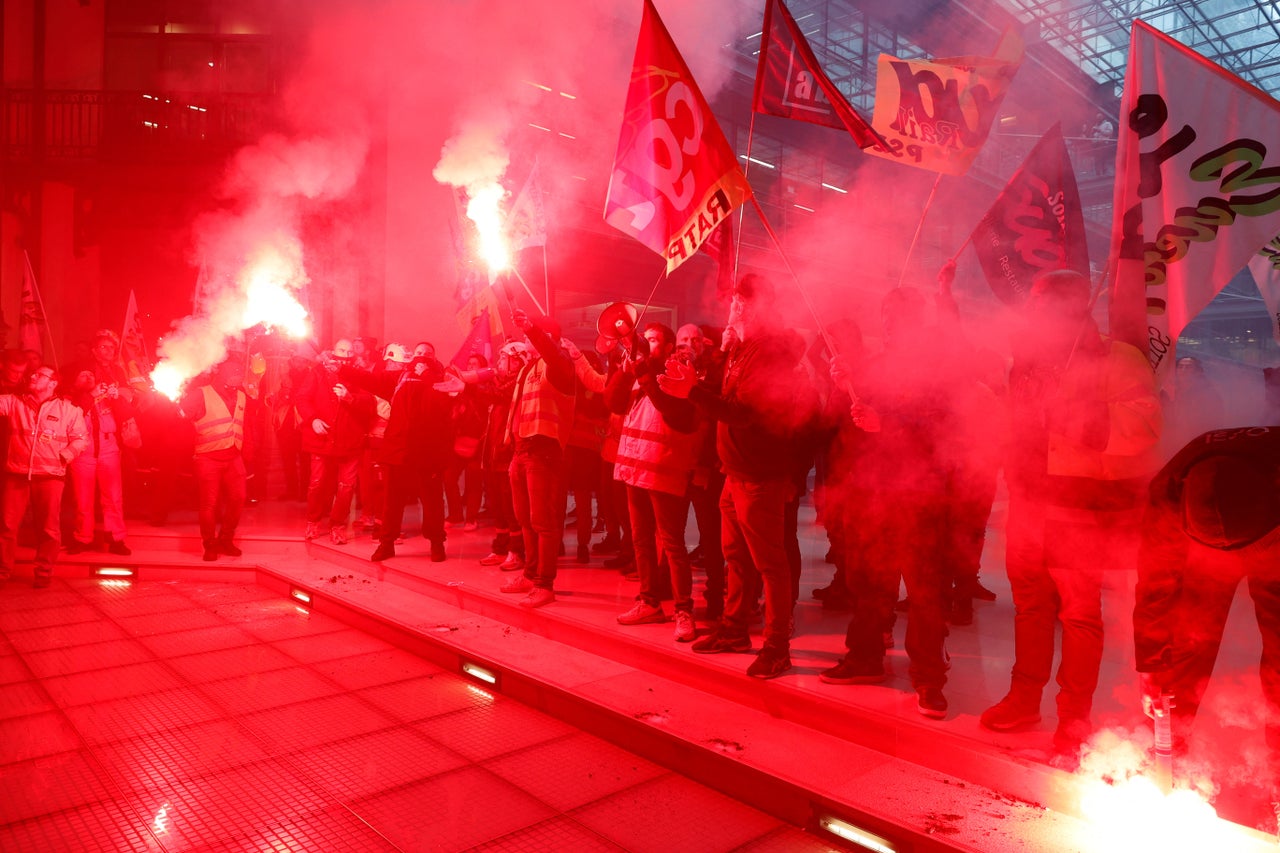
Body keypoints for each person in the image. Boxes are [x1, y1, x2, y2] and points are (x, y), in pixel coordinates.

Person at [979, 268, 1161, 763]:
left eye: (1041, 300)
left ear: (1071, 305)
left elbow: (1145, 423)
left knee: (1079, 613)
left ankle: (1074, 716)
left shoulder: (1115, 357)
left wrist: (1076, 418)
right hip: (1029, 500)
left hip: (1079, 506)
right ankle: (1024, 698)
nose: (1034, 310)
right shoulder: (1029, 360)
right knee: (1030, 604)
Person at [659, 274, 813, 679]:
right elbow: (725, 399)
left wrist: (694, 391)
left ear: (758, 306)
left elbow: (743, 412)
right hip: (736, 471)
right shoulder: (743, 349)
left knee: (769, 564)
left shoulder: (769, 352)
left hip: (760, 474)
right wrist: (716, 361)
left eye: (741, 303)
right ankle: (734, 629)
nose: (733, 309)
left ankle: (777, 647)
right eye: (733, 302)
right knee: (735, 558)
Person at [1134, 427, 1280, 783]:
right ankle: (1165, 758)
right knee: (1184, 642)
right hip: (1206, 555)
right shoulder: (1168, 491)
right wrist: (1152, 662)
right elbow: (1156, 585)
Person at [608, 322, 701, 642]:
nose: (647, 346)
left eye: (654, 341)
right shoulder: (638, 370)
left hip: (662, 468)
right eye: (644, 340)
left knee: (672, 544)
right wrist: (624, 372)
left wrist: (645, 373)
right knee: (641, 540)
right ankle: (648, 601)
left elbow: (672, 411)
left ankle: (683, 609)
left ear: (668, 345)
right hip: (634, 466)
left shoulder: (675, 371)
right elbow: (614, 403)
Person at [499, 309, 576, 609]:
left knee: (543, 522)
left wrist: (533, 328)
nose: (524, 340)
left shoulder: (559, 364)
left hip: (543, 452)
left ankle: (545, 584)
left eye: (531, 335)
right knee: (526, 521)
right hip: (521, 452)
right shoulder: (528, 369)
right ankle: (531, 575)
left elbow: (551, 351)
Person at [0, 367, 87, 587]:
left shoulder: (69, 410)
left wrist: (64, 456)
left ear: (52, 383)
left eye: (40, 375)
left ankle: (44, 571)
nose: (33, 376)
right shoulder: (15, 402)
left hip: (50, 477)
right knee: (7, 526)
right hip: (18, 474)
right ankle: (2, 571)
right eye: (34, 374)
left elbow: (80, 439)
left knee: (48, 528)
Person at [370, 352, 453, 562]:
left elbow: (440, 407)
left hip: (427, 453)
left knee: (432, 501)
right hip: (399, 452)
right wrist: (341, 370)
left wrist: (427, 376)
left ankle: (436, 543)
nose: (419, 357)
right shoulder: (400, 380)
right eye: (417, 355)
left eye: (425, 355)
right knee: (392, 502)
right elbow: (370, 381)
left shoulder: (438, 381)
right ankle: (386, 543)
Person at [297, 339, 375, 543]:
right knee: (316, 483)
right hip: (322, 438)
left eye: (349, 351)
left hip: (350, 440)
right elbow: (302, 398)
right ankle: (313, 522)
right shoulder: (318, 372)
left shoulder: (361, 376)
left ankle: (337, 526)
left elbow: (369, 403)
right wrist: (312, 419)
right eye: (341, 350)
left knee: (346, 487)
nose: (346, 354)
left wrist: (350, 397)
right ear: (334, 351)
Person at [181, 354, 252, 561]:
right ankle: (209, 544)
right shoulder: (200, 394)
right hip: (207, 457)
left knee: (238, 498)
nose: (239, 377)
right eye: (235, 374)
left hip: (233, 456)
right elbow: (183, 417)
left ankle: (225, 540)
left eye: (240, 374)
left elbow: (243, 425)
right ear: (223, 375)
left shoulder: (241, 395)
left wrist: (248, 453)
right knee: (209, 504)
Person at [65, 364, 135, 555]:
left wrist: (117, 398)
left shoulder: (105, 397)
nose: (88, 377)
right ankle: (82, 538)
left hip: (108, 448)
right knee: (83, 498)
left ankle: (116, 538)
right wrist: (93, 396)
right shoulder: (69, 399)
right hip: (82, 451)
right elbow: (76, 412)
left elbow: (127, 414)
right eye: (83, 374)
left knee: (113, 497)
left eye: (90, 374)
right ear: (74, 380)